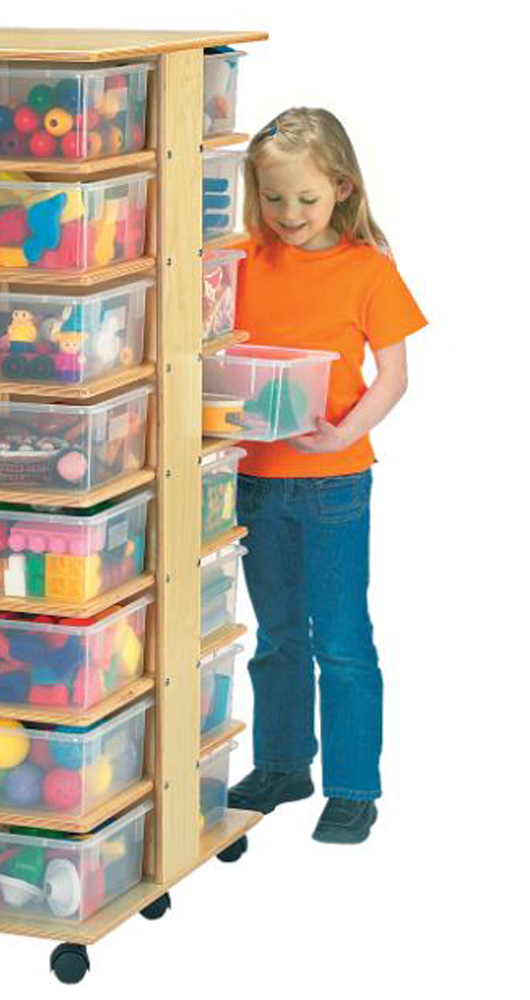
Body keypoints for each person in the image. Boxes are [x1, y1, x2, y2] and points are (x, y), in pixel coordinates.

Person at [224, 107, 427, 844]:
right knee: (278, 636)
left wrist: (345, 432)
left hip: (335, 482)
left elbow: (394, 374)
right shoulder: (243, 257)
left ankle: (352, 787)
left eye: (306, 198)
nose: (289, 213)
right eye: (273, 197)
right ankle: (282, 765)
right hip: (254, 477)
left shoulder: (367, 269)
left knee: (341, 639)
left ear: (341, 188)